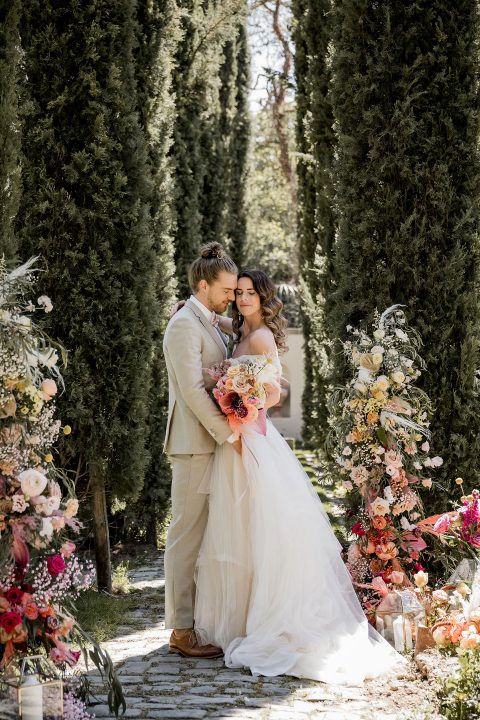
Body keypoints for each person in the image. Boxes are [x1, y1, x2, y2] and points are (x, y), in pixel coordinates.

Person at [191, 269, 405, 684]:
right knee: (237, 530)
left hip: (253, 440)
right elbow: (222, 336)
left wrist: (247, 401)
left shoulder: (263, 338)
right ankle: (238, 617)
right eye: (238, 293)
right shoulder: (237, 333)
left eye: (251, 293)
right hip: (237, 440)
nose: (244, 299)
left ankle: (267, 620)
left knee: (262, 530)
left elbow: (273, 393)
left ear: (263, 297)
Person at [162, 242, 241, 658]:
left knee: (204, 536)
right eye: (227, 290)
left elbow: (228, 327)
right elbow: (192, 392)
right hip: (194, 443)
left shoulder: (202, 318)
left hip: (209, 442)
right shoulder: (183, 326)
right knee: (185, 537)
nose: (231, 297)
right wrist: (228, 433)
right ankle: (180, 628)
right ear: (204, 284)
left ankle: (199, 620)